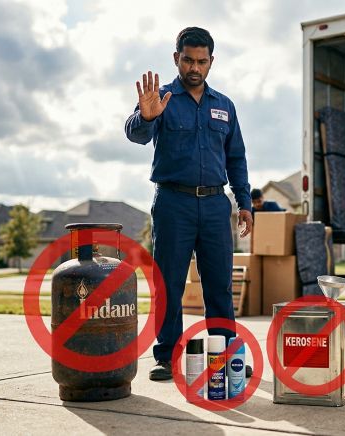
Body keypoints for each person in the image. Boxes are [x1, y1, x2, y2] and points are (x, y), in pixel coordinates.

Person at [124, 27, 254, 381]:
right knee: (168, 284)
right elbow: (135, 134)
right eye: (187, 60)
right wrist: (146, 117)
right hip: (173, 203)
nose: (194, 68)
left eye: (201, 61)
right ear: (176, 58)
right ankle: (167, 357)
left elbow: (236, 158)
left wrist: (244, 201)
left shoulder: (224, 105)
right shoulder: (161, 98)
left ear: (211, 61)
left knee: (219, 285)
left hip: (215, 206)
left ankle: (225, 358)